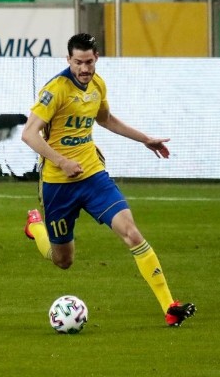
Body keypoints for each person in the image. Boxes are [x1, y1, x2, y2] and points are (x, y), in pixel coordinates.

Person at [20, 33, 196, 327]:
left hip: (92, 176)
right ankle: (36, 227)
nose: (84, 69)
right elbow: (28, 133)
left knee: (132, 233)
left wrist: (145, 139)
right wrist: (62, 161)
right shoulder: (55, 90)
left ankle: (169, 306)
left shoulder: (97, 85)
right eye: (78, 62)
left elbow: (106, 119)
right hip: (58, 183)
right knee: (63, 260)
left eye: (89, 62)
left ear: (96, 58)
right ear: (68, 60)